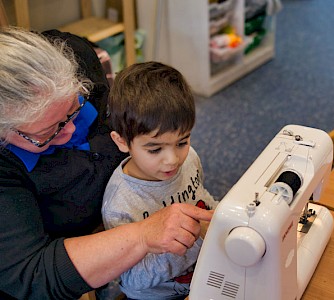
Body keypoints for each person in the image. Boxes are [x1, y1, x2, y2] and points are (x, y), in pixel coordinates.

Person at [0, 27, 213, 299]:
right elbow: (32, 275)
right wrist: (143, 236)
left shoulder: (76, 56)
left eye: (72, 110)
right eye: (46, 134)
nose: (69, 132)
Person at [102, 61, 218, 300]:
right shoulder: (120, 205)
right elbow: (133, 279)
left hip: (206, 270)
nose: (172, 160)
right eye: (155, 150)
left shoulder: (190, 158)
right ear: (122, 141)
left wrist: (220, 217)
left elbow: (201, 196)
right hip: (159, 295)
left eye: (182, 142)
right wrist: (196, 239)